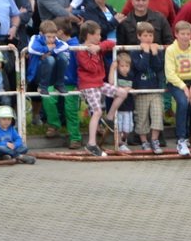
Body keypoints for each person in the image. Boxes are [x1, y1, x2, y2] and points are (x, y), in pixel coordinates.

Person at [76, 19, 128, 157]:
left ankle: (109, 117)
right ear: (89, 35)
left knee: (122, 93)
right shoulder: (81, 50)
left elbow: (112, 43)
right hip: (88, 84)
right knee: (97, 112)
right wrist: (93, 54)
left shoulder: (98, 45)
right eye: (98, 35)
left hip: (99, 83)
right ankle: (91, 144)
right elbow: (91, 68)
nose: (100, 37)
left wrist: (99, 47)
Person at [164, 20, 191, 156]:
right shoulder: (171, 50)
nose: (185, 37)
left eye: (188, 34)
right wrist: (183, 87)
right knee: (183, 103)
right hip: (176, 82)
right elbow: (170, 73)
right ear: (176, 34)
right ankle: (181, 139)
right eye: (182, 34)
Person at [43, 17, 83, 148]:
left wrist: (79, 82)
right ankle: (54, 124)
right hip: (54, 81)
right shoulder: (54, 45)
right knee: (47, 98)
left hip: (71, 82)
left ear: (59, 32)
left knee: (71, 110)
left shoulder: (76, 45)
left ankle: (75, 137)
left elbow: (80, 65)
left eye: (54, 32)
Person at [130, 21, 165, 154]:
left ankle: (154, 140)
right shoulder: (135, 51)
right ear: (139, 36)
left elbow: (158, 67)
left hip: (155, 89)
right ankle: (144, 141)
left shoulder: (156, 49)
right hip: (141, 90)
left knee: (157, 114)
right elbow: (141, 67)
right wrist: (145, 53)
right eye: (145, 35)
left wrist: (155, 54)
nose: (148, 38)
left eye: (150, 35)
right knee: (142, 117)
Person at [27, 19, 70, 95]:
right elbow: (32, 49)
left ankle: (59, 84)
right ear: (41, 34)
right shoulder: (35, 38)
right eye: (48, 37)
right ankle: (42, 87)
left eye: (53, 37)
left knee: (63, 57)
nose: (51, 39)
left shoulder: (55, 40)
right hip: (37, 74)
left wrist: (51, 52)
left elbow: (65, 46)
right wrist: (46, 48)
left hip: (52, 74)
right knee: (50, 59)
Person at [111, 51, 135, 152]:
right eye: (122, 66)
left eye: (127, 66)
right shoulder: (117, 76)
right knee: (119, 127)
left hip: (129, 107)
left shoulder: (131, 75)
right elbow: (111, 83)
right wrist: (112, 68)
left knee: (128, 128)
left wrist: (129, 89)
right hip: (119, 108)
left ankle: (123, 140)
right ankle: (120, 143)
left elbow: (134, 89)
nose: (125, 68)